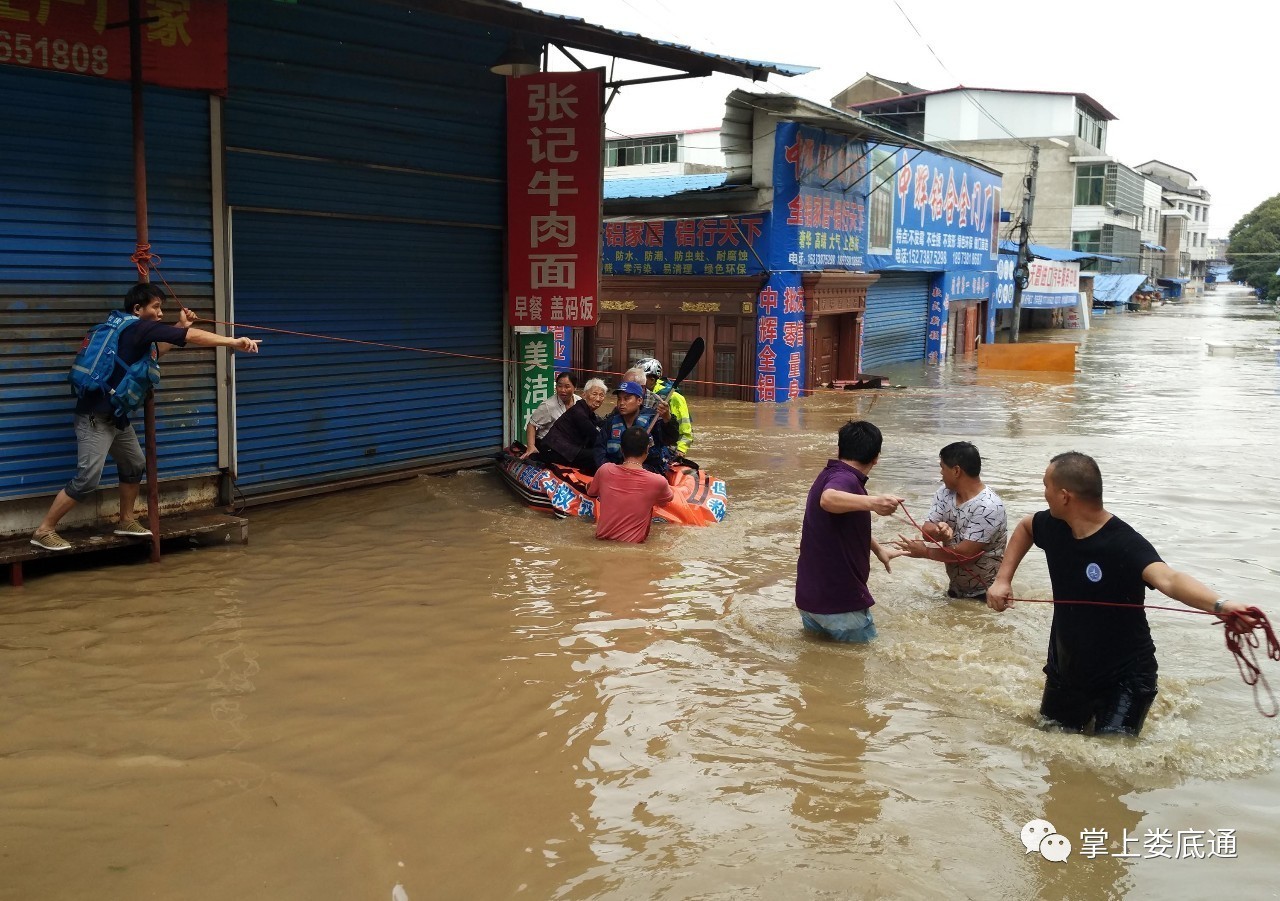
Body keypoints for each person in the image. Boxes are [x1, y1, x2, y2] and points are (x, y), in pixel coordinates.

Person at [987, 451, 1257, 737]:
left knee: (1111, 758)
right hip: (1067, 671)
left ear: (1065, 496)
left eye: (1046, 486)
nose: (1044, 494)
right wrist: (1003, 580)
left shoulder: (1123, 543)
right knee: (1055, 755)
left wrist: (1220, 606)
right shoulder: (1053, 526)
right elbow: (1026, 527)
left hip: (1125, 677)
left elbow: (1170, 579)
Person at [31, 283, 261, 551]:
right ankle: (44, 530)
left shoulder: (133, 332)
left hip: (115, 416)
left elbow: (157, 351)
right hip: (94, 418)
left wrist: (178, 325)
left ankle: (126, 519)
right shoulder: (137, 327)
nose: (160, 313)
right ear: (138, 309)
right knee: (88, 479)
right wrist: (232, 341)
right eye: (156, 307)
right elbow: (191, 336)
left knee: (134, 464)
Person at [794, 420, 904, 643]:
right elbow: (829, 499)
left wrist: (879, 550)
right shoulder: (844, 480)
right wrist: (874, 502)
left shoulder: (829, 474)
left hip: (810, 601)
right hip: (841, 606)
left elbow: (845, 521)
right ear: (876, 457)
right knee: (859, 670)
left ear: (839, 450)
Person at [888, 441, 1007, 599]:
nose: (941, 473)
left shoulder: (989, 507)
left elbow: (966, 554)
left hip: (988, 594)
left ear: (956, 470)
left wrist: (926, 552)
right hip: (955, 589)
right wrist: (938, 531)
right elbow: (926, 531)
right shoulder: (944, 493)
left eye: (943, 467)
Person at [586, 426, 674, 543]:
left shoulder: (605, 470)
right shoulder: (658, 481)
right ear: (647, 450)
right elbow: (667, 500)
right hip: (633, 549)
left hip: (601, 542)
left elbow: (591, 491)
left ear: (621, 449)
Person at [595, 379, 677, 475]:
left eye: (626, 398)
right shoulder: (611, 422)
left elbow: (671, 439)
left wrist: (667, 418)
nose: (621, 403)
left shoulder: (653, 419)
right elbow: (599, 449)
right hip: (616, 471)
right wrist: (609, 469)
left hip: (647, 471)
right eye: (619, 399)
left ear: (639, 401)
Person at [538, 377, 608, 473]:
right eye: (594, 394)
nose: (598, 399)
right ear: (584, 395)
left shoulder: (588, 412)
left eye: (601, 395)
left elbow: (599, 425)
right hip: (556, 450)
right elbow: (595, 436)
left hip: (568, 449)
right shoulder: (579, 412)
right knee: (599, 454)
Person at [637, 358, 693, 457]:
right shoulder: (639, 394)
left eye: (641, 378)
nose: (637, 382)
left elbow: (685, 427)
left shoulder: (673, 396)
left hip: (668, 445)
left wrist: (681, 449)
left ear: (652, 379)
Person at [521, 371, 580, 458]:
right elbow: (531, 424)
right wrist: (531, 446)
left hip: (567, 443)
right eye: (559, 386)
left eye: (567, 386)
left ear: (575, 387)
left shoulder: (579, 401)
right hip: (548, 444)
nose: (563, 390)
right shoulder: (548, 405)